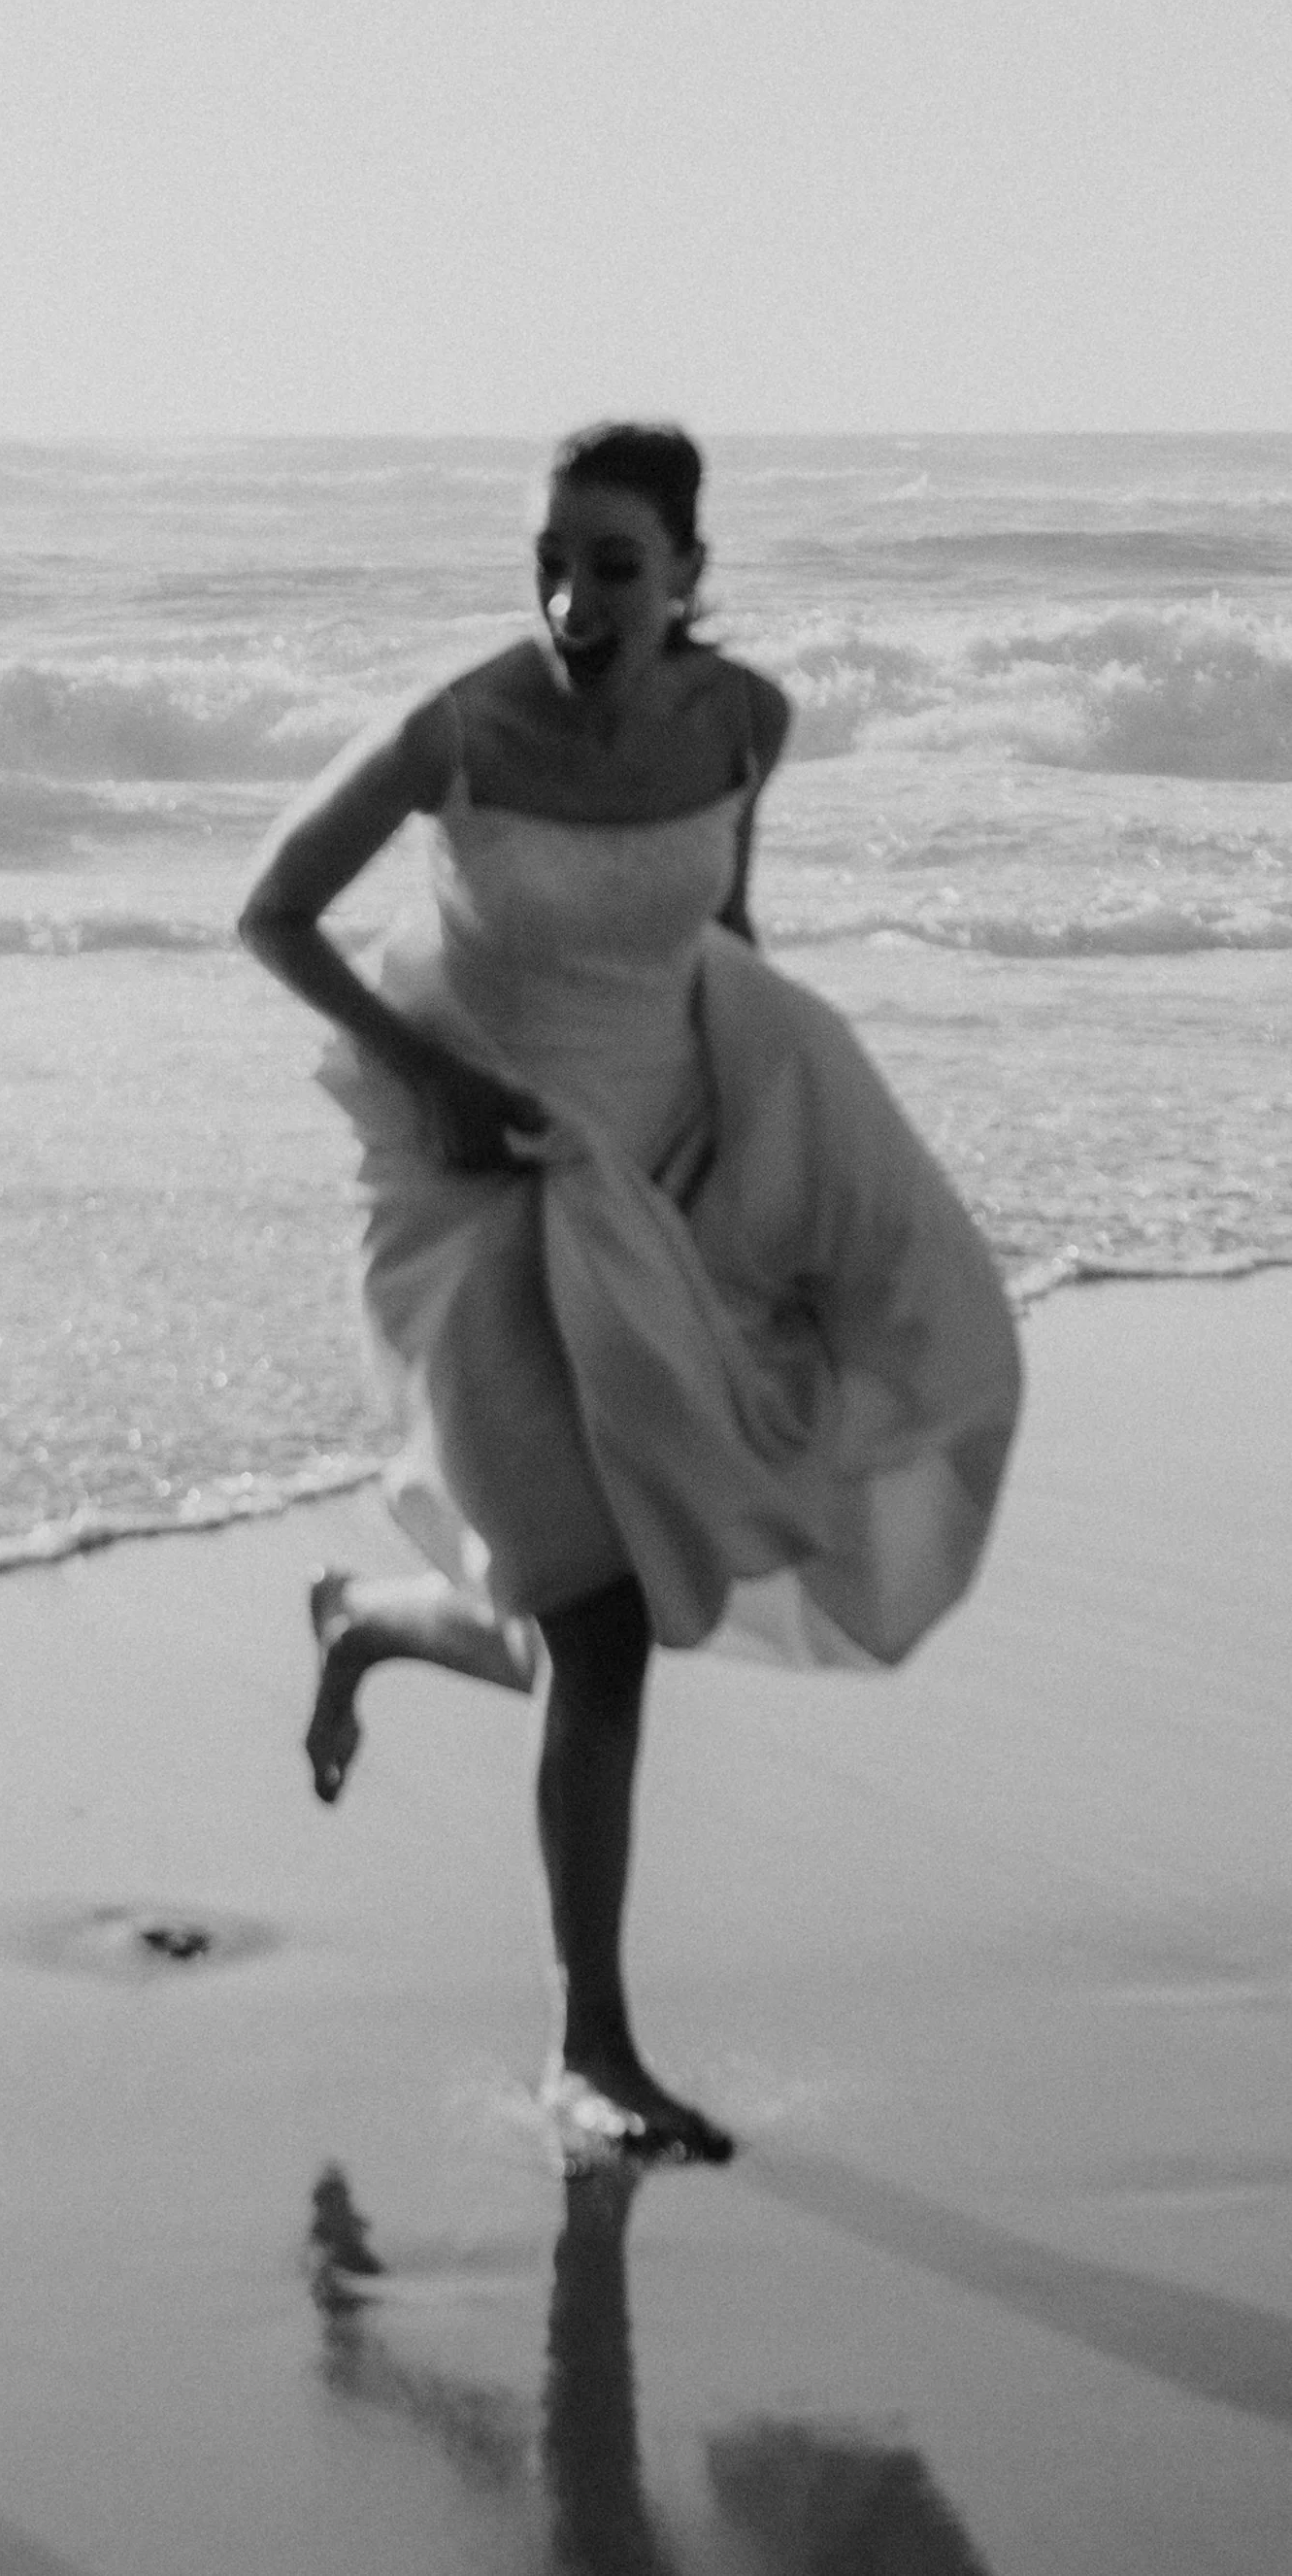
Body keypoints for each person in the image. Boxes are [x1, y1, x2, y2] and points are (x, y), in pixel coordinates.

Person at [240, 424, 1020, 2164]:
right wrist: (422, 1077)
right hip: (481, 1186)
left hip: (659, 1174)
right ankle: (591, 2050)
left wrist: (769, 1178)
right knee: (596, 1630)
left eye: (609, 562)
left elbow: (723, 939)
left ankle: (363, 1617)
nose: (570, 596)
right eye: (548, 558)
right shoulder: (460, 722)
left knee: (613, 1597)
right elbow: (270, 910)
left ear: (682, 565)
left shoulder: (742, 723)